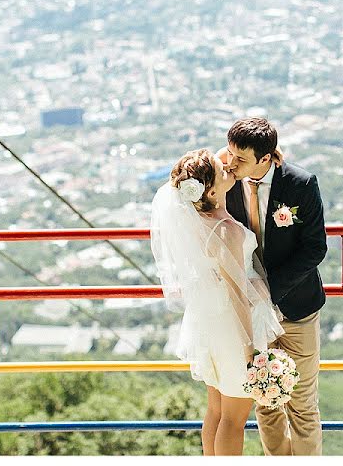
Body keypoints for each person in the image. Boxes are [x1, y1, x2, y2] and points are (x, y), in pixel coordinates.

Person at [150, 148, 284, 456]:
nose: (228, 169)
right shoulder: (225, 230)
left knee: (216, 410)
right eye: (221, 170)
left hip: (209, 321)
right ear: (209, 189)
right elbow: (236, 292)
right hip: (233, 326)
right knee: (234, 420)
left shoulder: (199, 219)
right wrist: (249, 348)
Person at [218, 117, 328, 456]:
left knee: (303, 406)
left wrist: (270, 288)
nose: (231, 163)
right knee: (266, 403)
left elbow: (315, 247)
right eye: (231, 154)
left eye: (241, 159)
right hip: (251, 314)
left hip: (296, 308)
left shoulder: (300, 183)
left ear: (266, 159)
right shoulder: (227, 182)